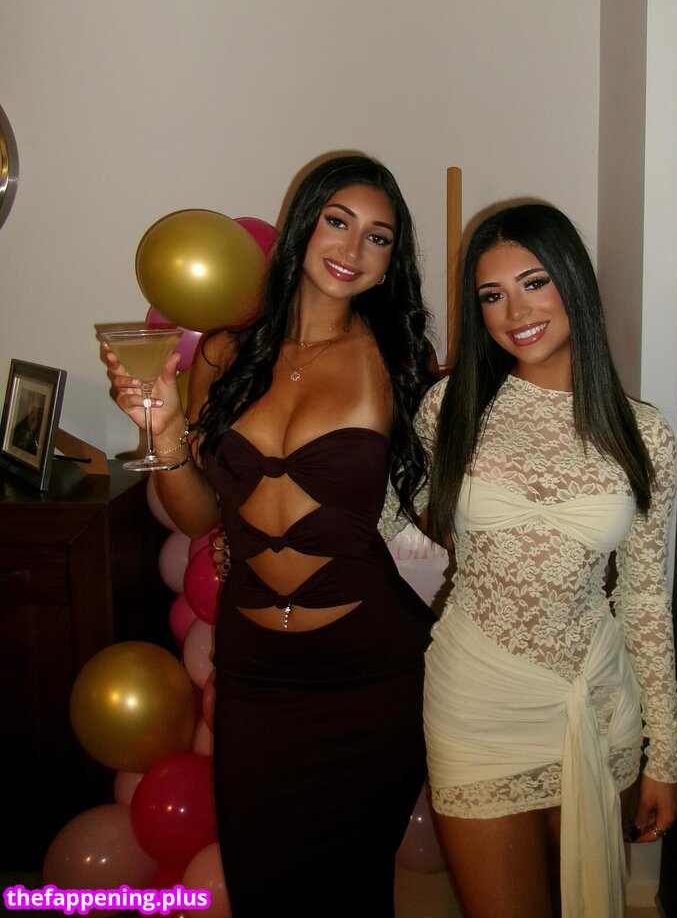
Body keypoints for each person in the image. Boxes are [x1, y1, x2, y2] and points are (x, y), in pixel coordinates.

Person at [103, 155, 435, 915]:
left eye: (378, 237)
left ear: (390, 263)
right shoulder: (226, 353)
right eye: (337, 222)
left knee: (353, 893)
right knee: (261, 885)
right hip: (257, 677)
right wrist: (163, 428)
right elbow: (197, 517)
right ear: (302, 225)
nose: (352, 249)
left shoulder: (398, 361)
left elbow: (436, 505)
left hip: (370, 673)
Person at [416, 203, 677, 918]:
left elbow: (643, 599)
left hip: (594, 698)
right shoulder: (449, 407)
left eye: (534, 283)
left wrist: (663, 754)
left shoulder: (643, 433)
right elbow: (388, 507)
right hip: (476, 701)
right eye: (491, 295)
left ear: (573, 283)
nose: (515, 312)